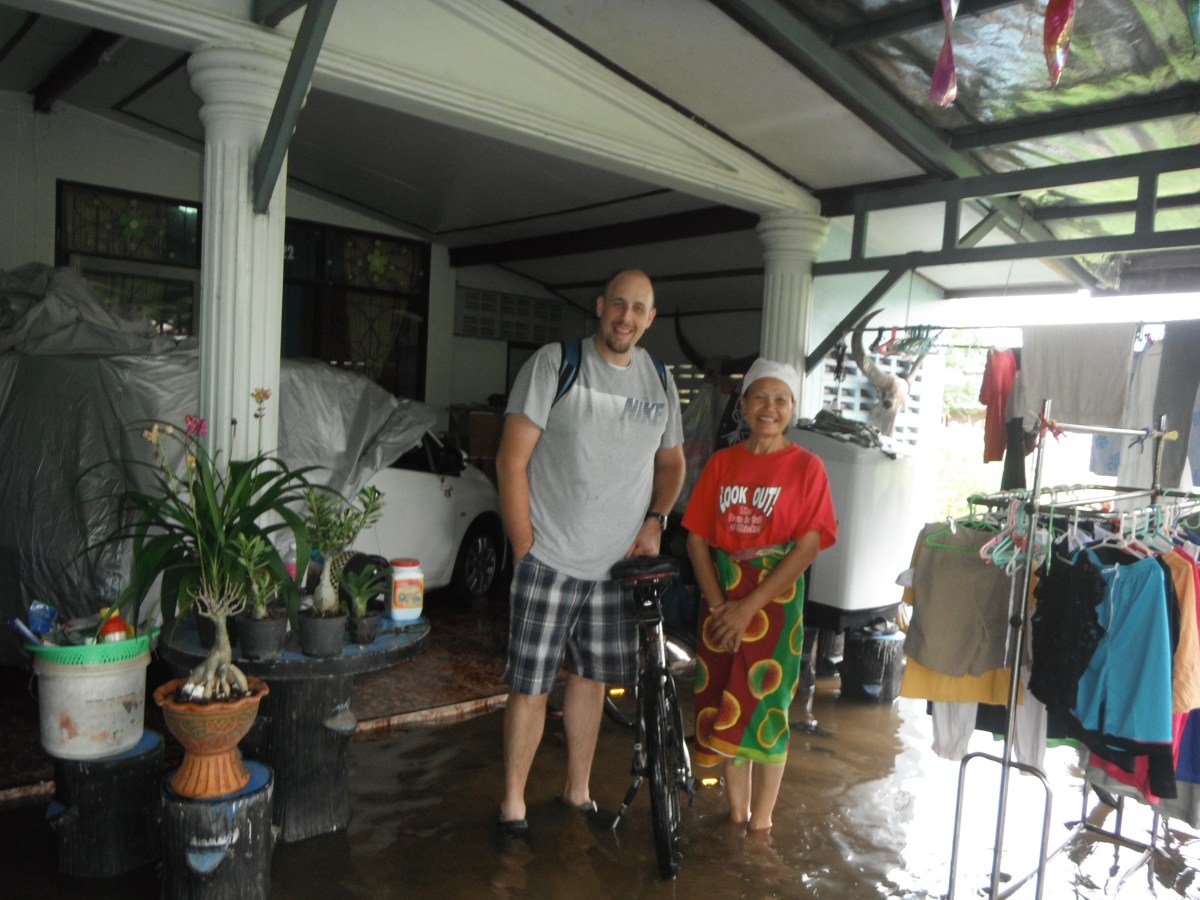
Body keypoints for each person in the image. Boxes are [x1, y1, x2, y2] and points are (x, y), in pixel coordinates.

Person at [495, 268, 685, 839]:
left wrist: (655, 520)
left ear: (651, 319)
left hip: (616, 569)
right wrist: (524, 545)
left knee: (592, 681)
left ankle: (577, 792)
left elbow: (672, 463)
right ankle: (512, 805)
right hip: (549, 560)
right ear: (601, 306)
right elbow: (510, 459)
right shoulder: (556, 364)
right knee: (530, 686)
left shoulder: (659, 379)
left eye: (638, 309)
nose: (626, 317)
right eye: (618, 304)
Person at [682, 358, 837, 833]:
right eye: (760, 398)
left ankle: (761, 826)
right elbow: (696, 541)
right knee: (724, 697)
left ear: (792, 407)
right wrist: (718, 608)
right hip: (722, 594)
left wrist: (748, 607)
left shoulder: (808, 467)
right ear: (744, 404)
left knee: (767, 706)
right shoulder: (722, 463)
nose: (770, 408)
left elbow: (807, 547)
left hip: (776, 602)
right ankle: (736, 816)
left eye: (781, 400)